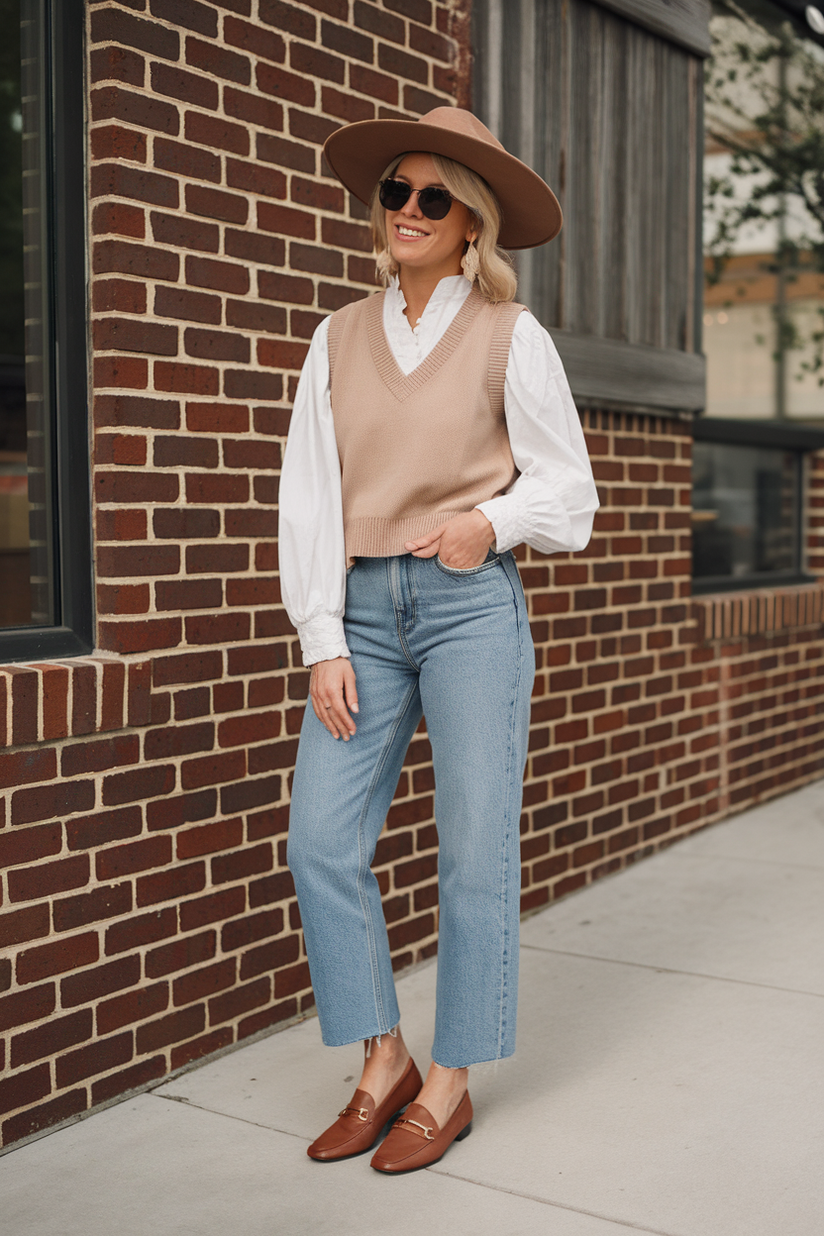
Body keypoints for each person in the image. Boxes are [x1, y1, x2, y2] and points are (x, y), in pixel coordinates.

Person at [280, 107, 599, 1174]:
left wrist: (487, 522)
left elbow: (569, 497)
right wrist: (321, 635)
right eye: (395, 192)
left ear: (472, 226)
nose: (407, 212)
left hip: (471, 611)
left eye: (434, 198)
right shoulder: (335, 337)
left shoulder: (513, 337)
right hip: (362, 615)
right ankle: (383, 1061)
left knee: (470, 855)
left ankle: (451, 1081)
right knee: (320, 842)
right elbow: (310, 499)